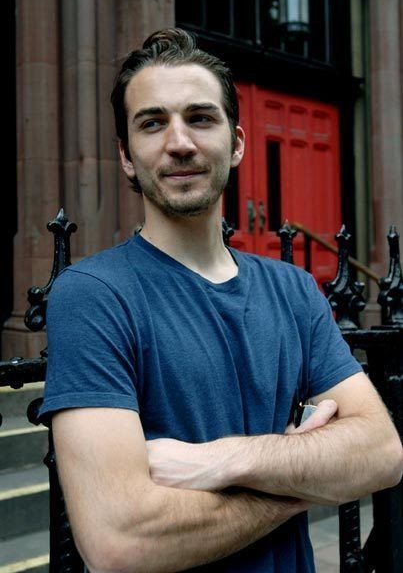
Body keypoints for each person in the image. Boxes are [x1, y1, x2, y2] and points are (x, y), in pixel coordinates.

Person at [39, 28, 402, 572]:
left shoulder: (294, 288)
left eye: (200, 118)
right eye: (153, 122)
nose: (179, 141)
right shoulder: (95, 296)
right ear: (126, 157)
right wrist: (304, 480)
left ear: (236, 143)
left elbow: (382, 453)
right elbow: (120, 541)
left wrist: (215, 461)